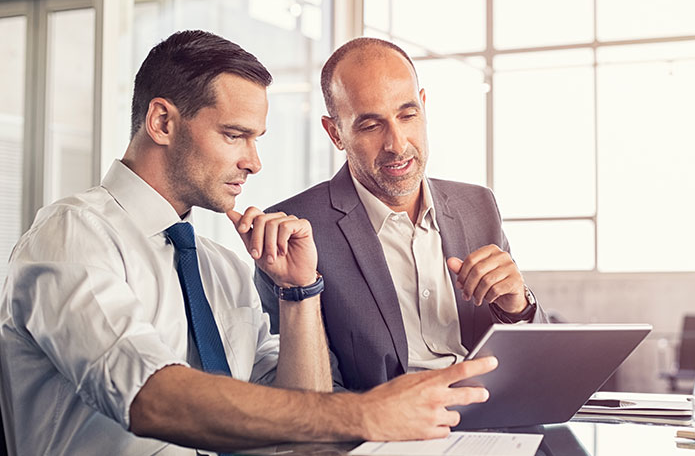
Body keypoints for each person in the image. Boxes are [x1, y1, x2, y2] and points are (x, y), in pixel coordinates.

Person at [0, 30, 496, 455]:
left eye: (257, 139)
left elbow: (300, 425)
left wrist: (299, 293)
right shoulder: (74, 235)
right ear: (162, 122)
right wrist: (366, 413)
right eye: (235, 135)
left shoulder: (222, 268)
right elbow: (149, 396)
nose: (254, 162)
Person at [255, 37, 547, 392]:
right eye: (370, 125)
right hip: (381, 434)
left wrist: (517, 305)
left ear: (423, 107)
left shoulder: (478, 205)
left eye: (407, 115)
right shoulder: (295, 228)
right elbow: (303, 393)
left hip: (490, 420)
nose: (397, 143)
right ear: (336, 134)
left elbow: (533, 367)